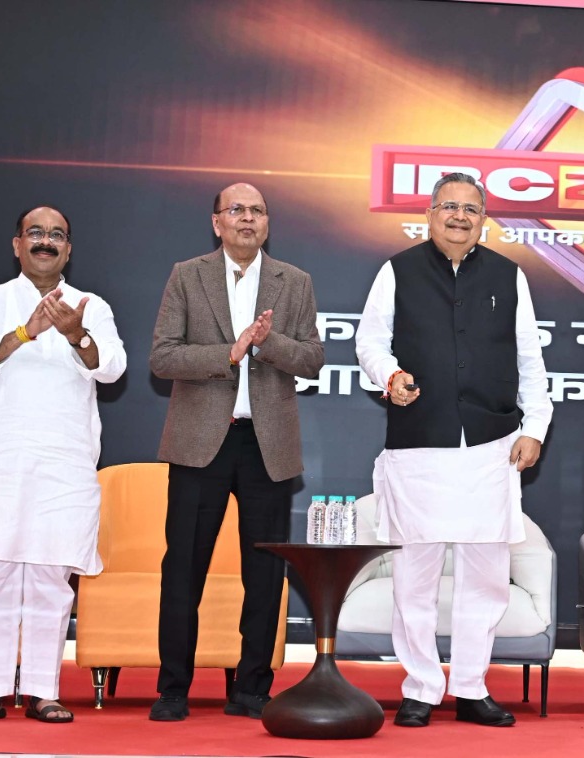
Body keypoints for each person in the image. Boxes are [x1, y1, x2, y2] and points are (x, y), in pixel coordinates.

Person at [355, 172, 552, 728]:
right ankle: (420, 687)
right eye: (449, 206)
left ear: (484, 219)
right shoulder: (397, 270)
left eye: (470, 208)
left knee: (485, 576)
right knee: (414, 574)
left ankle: (470, 686)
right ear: (430, 213)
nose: (459, 216)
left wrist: (535, 427)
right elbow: (369, 341)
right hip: (418, 444)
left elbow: (530, 359)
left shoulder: (509, 275)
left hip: (491, 446)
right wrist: (389, 375)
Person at [149, 183, 324, 721]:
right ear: (217, 222)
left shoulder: (294, 281)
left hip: (266, 445)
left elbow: (313, 358)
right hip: (200, 442)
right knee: (184, 568)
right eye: (237, 210)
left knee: (265, 574)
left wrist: (267, 342)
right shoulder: (187, 275)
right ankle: (173, 689)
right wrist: (231, 351)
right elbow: (162, 357)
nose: (248, 218)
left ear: (267, 223)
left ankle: (251, 689)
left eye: (257, 211)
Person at [0, 206, 125, 725]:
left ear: (68, 249)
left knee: (51, 579)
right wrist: (25, 332)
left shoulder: (91, 305)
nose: (46, 241)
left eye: (56, 235)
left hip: (64, 463)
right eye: (36, 233)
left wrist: (76, 335)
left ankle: (44, 691)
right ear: (17, 244)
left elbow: (113, 368)